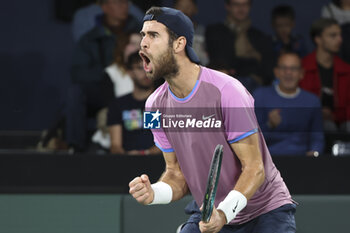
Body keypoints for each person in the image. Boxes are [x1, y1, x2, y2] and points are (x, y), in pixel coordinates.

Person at [129, 7, 295, 233]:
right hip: (210, 212)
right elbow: (176, 175)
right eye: (143, 35)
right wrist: (153, 194)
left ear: (179, 44)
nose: (143, 43)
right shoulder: (153, 106)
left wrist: (224, 214)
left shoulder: (228, 91)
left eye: (153, 35)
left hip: (264, 212)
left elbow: (254, 169)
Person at [66, 0, 141, 151]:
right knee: (75, 93)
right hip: (105, 88)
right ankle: (75, 148)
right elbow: (78, 72)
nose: (124, 6)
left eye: (126, 3)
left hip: (138, 86)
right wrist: (108, 76)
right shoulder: (90, 39)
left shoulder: (141, 31)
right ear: (104, 7)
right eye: (118, 3)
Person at [253, 52, 324, 156]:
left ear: (302, 73)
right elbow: (251, 139)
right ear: (276, 72)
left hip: (303, 161)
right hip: (268, 161)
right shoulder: (260, 96)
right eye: (284, 68)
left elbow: (317, 138)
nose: (288, 72)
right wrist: (269, 125)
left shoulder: (312, 101)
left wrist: (314, 153)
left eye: (294, 68)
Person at [205, 0, 275, 86]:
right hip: (225, 83)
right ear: (228, 6)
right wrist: (253, 59)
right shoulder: (215, 32)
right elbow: (220, 61)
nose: (241, 8)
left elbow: (268, 70)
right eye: (236, 4)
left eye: (245, 4)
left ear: (250, 6)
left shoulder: (259, 36)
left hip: (254, 87)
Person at [300, 18, 350, 132]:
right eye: (333, 35)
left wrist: (335, 116)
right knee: (327, 126)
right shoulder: (302, 68)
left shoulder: (346, 70)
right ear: (318, 39)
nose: (340, 40)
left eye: (340, 35)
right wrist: (318, 113)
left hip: (342, 122)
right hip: (310, 123)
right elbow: (298, 102)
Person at [107, 52, 160, 155]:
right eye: (140, 68)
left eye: (149, 67)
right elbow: (115, 145)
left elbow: (168, 144)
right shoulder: (118, 105)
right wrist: (126, 158)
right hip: (126, 163)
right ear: (130, 72)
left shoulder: (163, 102)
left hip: (158, 162)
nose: (146, 72)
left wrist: (143, 153)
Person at [174, 0, 209, 65]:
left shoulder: (202, 31)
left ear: (195, 9)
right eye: (181, 6)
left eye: (188, 6)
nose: (184, 10)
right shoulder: (166, 31)